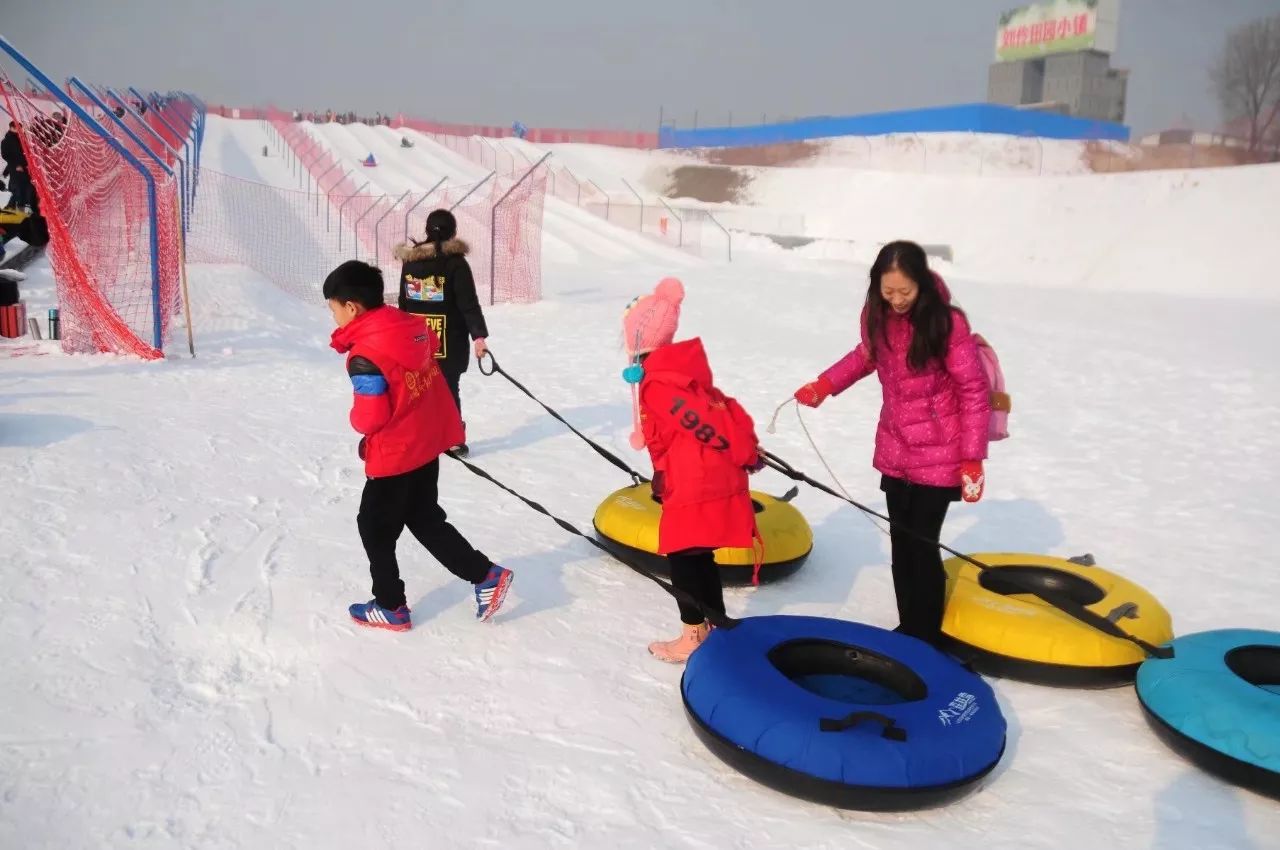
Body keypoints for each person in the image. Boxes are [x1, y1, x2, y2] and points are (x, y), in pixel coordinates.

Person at [792, 240, 991, 646]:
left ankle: (926, 636)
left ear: (921, 284)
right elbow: (866, 356)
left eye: (906, 291)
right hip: (896, 448)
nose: (897, 300)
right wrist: (825, 385)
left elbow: (973, 391)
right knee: (901, 542)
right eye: (889, 291)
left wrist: (972, 459)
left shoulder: (946, 324)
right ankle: (909, 630)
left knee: (922, 544)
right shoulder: (878, 316)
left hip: (940, 454)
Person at [323, 259, 513, 631]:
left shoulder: (365, 356)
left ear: (352, 307)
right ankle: (485, 575)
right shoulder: (413, 326)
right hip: (426, 442)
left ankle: (391, 604)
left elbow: (370, 418)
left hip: (396, 452)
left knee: (373, 525)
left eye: (333, 309)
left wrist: (357, 423)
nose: (333, 317)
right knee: (423, 517)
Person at [623, 277, 765, 663]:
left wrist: (744, 452)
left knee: (684, 556)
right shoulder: (673, 374)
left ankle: (694, 633)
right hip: (691, 474)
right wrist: (663, 469)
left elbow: (706, 424)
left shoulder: (661, 384)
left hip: (699, 479)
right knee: (697, 554)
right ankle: (714, 623)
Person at [393, 208, 489, 456]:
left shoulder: (410, 262)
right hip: (449, 340)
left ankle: (421, 436)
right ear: (453, 232)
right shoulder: (456, 263)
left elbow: (403, 304)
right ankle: (453, 438)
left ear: (426, 230)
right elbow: (468, 304)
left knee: (418, 389)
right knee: (448, 387)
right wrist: (478, 337)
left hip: (416, 341)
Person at [2, 122, 32, 213]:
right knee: (19, 189)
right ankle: (17, 210)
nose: (19, 130)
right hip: (16, 169)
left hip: (25, 167)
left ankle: (11, 209)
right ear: (11, 128)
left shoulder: (22, 138)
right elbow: (5, 155)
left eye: (20, 128)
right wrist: (16, 165)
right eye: (17, 128)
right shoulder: (6, 141)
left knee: (25, 189)